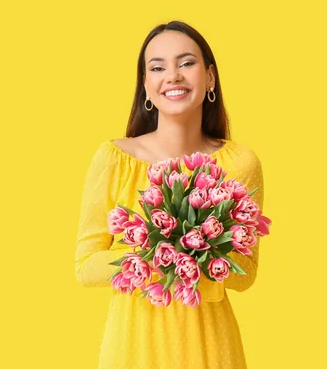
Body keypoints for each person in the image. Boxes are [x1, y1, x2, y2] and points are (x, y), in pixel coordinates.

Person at [75, 20, 266, 369]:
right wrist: (156, 248)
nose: (173, 76)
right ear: (145, 86)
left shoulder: (240, 163)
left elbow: (246, 273)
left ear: (210, 78)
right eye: (158, 67)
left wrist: (203, 244)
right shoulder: (114, 158)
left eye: (186, 63)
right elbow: (85, 266)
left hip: (210, 347)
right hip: (132, 347)